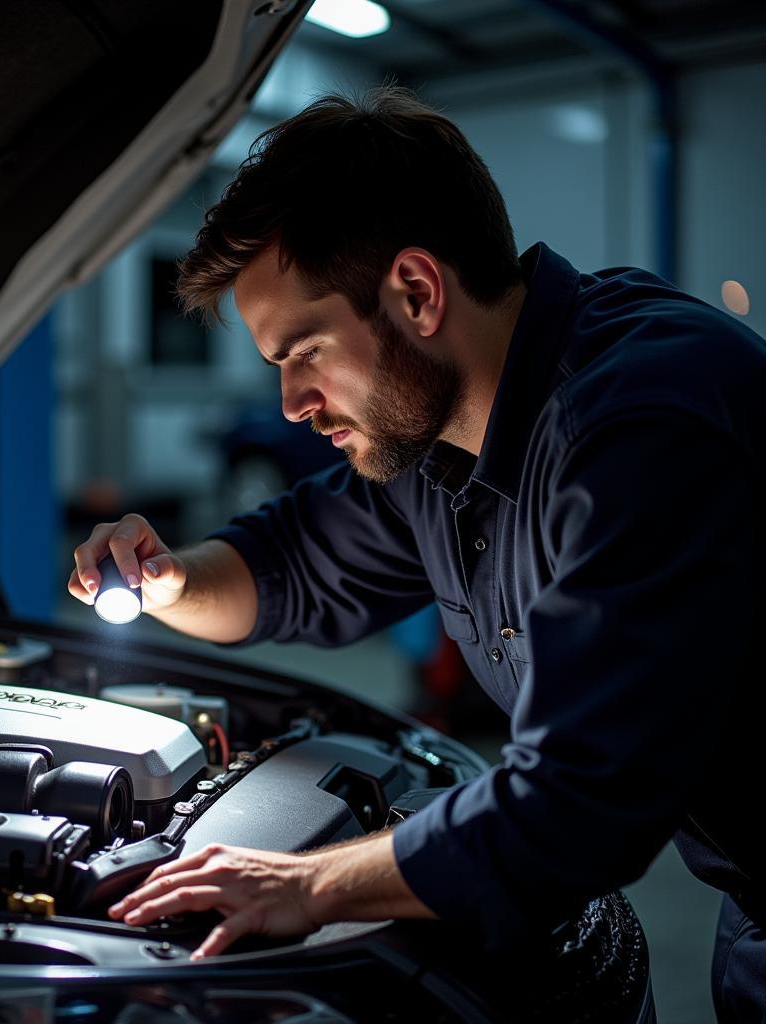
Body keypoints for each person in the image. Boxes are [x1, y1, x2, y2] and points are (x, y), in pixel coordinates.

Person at [68, 87, 766, 1020]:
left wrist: (306, 883)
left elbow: (581, 803)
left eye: (304, 351)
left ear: (417, 292)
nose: (290, 403)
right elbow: (291, 569)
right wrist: (163, 580)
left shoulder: (642, 422)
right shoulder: (437, 450)